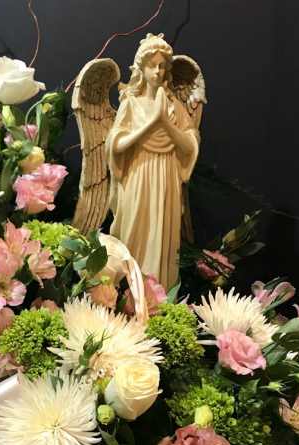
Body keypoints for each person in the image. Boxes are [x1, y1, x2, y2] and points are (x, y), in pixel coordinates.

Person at [107, 34, 199, 290]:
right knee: (135, 232)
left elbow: (190, 145)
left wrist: (165, 122)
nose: (158, 71)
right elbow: (116, 145)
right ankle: (130, 296)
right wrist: (151, 123)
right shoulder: (131, 104)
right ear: (141, 68)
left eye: (162, 66)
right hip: (138, 173)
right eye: (152, 66)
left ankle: (159, 297)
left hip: (166, 174)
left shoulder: (174, 106)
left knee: (162, 235)